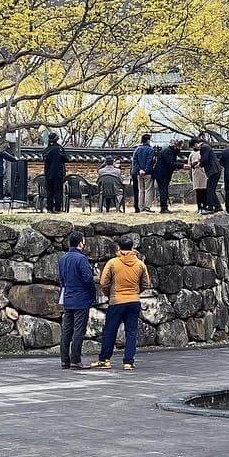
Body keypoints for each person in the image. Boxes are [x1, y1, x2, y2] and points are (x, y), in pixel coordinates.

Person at [96, 235, 151, 370]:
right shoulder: (140, 264)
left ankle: (105, 359)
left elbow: (103, 282)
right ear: (132, 248)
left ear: (119, 248)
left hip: (116, 301)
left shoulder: (113, 263)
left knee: (110, 330)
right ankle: (128, 362)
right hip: (133, 301)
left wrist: (108, 293)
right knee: (131, 332)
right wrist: (136, 292)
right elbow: (146, 283)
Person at [57, 230, 98, 369]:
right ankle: (75, 359)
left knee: (66, 330)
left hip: (68, 298)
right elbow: (88, 278)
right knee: (78, 331)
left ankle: (64, 360)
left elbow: (61, 280)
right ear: (81, 243)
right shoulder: (81, 259)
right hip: (81, 299)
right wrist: (93, 292)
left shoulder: (63, 259)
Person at [43, 133, 68, 213]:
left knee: (49, 192)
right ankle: (57, 208)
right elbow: (66, 159)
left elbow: (44, 159)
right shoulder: (59, 149)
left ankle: (49, 208)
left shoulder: (46, 149)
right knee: (58, 191)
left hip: (48, 173)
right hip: (58, 173)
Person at [131, 133, 156, 212]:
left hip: (139, 173)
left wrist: (140, 170)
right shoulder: (150, 149)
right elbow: (150, 161)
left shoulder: (137, 149)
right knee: (148, 189)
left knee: (141, 190)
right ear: (148, 140)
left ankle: (141, 207)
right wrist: (145, 170)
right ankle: (147, 207)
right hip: (148, 173)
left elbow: (135, 161)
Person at [153, 139, 180, 214]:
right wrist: (182, 165)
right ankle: (164, 208)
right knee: (163, 191)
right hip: (162, 174)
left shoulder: (169, 151)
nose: (179, 149)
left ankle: (164, 207)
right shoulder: (168, 152)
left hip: (163, 174)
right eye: (178, 147)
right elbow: (170, 163)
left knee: (164, 191)